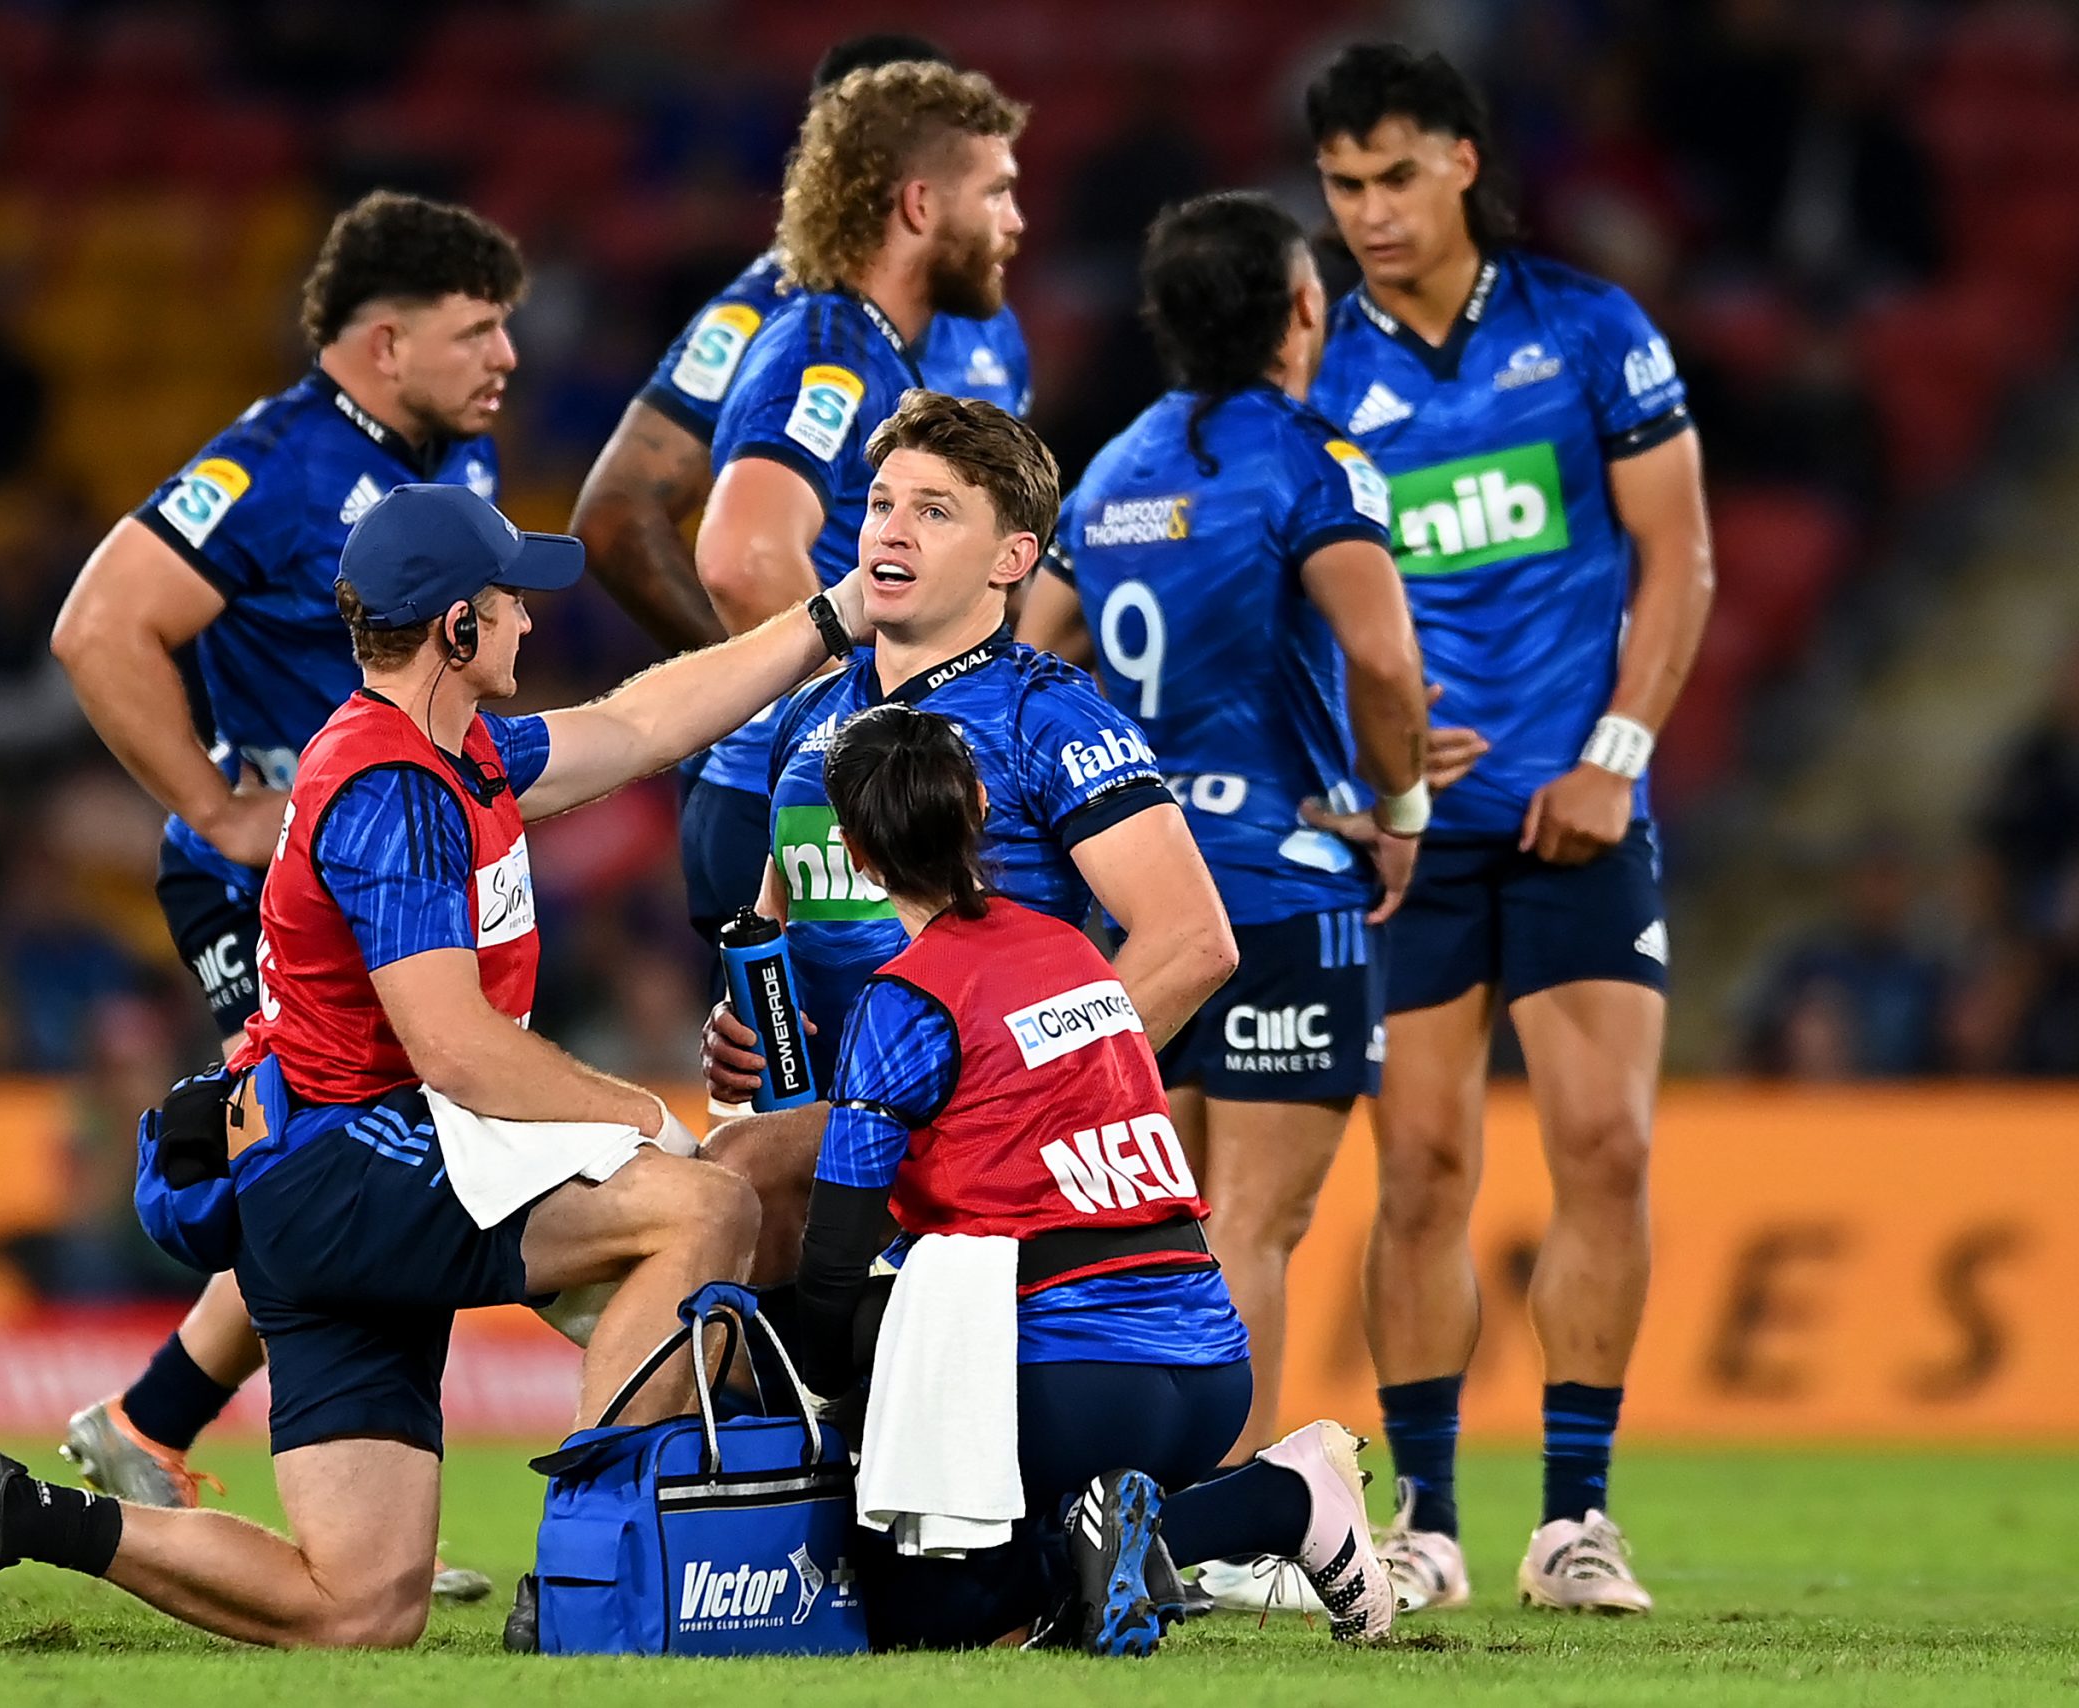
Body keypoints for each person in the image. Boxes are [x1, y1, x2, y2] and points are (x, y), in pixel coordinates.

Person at [0, 484, 876, 1653]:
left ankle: (12, 1510)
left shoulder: (447, 752)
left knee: (357, 1607)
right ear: (456, 629)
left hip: (320, 1186)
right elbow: (450, 1045)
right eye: (508, 602)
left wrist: (833, 613)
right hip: (358, 1165)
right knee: (705, 1200)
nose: (529, 621)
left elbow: (648, 720)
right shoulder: (395, 794)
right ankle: (584, 1578)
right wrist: (640, 1112)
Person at [44, 192, 521, 1591]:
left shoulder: (456, 457)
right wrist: (215, 806)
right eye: (477, 330)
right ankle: (264, 1473)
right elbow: (100, 624)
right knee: (326, 1163)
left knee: (345, 1165)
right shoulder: (271, 467)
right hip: (271, 880)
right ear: (384, 344)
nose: (506, 357)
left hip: (383, 866)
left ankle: (156, 1426)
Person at [1303, 43, 1714, 1614]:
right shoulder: (1317, 367)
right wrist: (1361, 761)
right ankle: (1424, 1522)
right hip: (1409, 836)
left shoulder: (1588, 331)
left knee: (1605, 1145)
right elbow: (1280, 594)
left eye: (1395, 175)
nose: (1369, 212)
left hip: (1578, 811)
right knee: (1419, 1167)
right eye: (1343, 187)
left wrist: (1614, 751)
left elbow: (1679, 558)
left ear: (1463, 161)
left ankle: (1578, 1523)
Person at [1017, 190, 1462, 1610]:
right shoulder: (1313, 463)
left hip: (1137, 900)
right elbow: (1386, 664)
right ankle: (1239, 1530)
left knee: (1178, 1220)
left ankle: (1148, 1508)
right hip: (1275, 886)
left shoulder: (1111, 471)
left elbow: (1041, 650)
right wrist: (1397, 815)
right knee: (1256, 1225)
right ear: (1300, 313)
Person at [789, 703, 1394, 1655]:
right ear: (983, 806)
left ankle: (1254, 1506)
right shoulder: (1073, 951)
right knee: (1053, 1583)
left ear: (857, 855)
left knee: (919, 1617)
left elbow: (832, 1258)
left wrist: (826, 1400)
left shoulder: (904, 1001)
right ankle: (1270, 1499)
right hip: (1209, 1363)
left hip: (1065, 1381)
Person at [700, 392, 1235, 1286]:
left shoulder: (1049, 714)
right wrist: (735, 1029)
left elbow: (1193, 942)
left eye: (934, 512)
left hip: (960, 1146)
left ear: (1012, 558)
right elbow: (778, 926)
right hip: (842, 1129)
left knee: (727, 1181)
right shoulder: (807, 713)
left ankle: (631, 1434)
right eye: (880, 505)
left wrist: (1017, 1096)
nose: (890, 533)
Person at [666, 58, 1029, 963]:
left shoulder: (873, 349)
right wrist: (869, 741)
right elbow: (743, 554)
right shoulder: (828, 351)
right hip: (794, 807)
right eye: (994, 194)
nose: (1014, 224)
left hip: (787, 797)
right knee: (841, 1096)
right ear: (919, 205)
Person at [574, 33, 1032, 657]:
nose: (1013, 222)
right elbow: (619, 519)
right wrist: (753, 693)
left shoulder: (985, 315)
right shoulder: (771, 318)